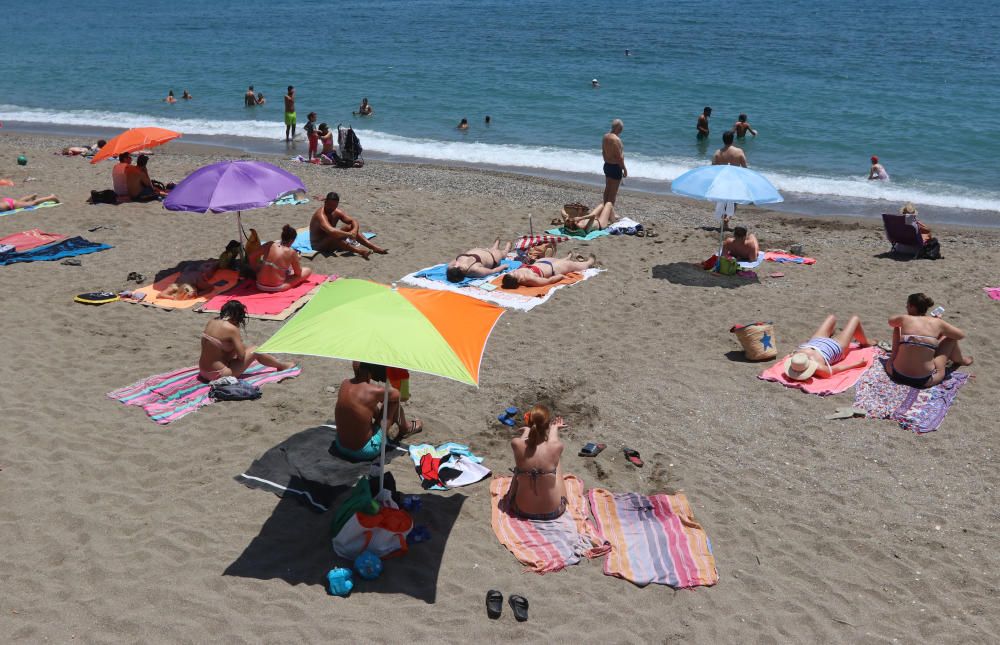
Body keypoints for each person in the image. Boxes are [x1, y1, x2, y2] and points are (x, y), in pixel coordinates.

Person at [334, 362, 422, 462]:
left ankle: (403, 427)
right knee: (392, 403)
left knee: (367, 404)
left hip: (340, 445)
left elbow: (365, 397)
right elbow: (401, 396)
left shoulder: (345, 383)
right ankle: (405, 428)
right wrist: (400, 375)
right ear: (370, 373)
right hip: (363, 452)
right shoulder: (375, 391)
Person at [885, 293, 973, 388]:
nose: (906, 307)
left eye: (907, 305)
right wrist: (940, 326)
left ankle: (893, 357)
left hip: (895, 373)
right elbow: (960, 335)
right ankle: (961, 360)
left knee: (897, 327)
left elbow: (891, 321)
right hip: (924, 380)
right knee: (951, 339)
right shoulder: (936, 322)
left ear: (911, 306)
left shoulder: (904, 318)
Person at [198, 300, 295, 383]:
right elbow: (241, 356)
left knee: (236, 347)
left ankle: (276, 362)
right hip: (219, 375)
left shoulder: (211, 322)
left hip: (203, 371)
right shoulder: (232, 329)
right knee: (255, 350)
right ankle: (281, 366)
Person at [505, 404, 567, 520]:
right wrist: (554, 429)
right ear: (547, 426)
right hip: (553, 512)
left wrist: (527, 430)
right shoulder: (557, 447)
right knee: (555, 462)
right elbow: (552, 443)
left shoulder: (516, 444)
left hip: (520, 510)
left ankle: (512, 496)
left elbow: (524, 440)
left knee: (519, 467)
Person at [783, 315, 875, 381]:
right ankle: (866, 342)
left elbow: (793, 355)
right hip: (837, 346)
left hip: (816, 341)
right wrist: (857, 364)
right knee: (855, 319)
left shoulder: (795, 359)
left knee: (832, 317)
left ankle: (831, 333)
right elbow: (836, 369)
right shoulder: (818, 367)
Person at [309, 192, 388, 259]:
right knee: (334, 235)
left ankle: (373, 247)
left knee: (349, 227)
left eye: (334, 206)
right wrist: (350, 234)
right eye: (329, 206)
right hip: (319, 245)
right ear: (325, 202)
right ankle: (359, 251)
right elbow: (331, 231)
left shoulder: (336, 211)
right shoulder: (320, 215)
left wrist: (353, 231)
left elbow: (353, 221)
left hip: (330, 241)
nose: (332, 208)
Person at [248, 224, 313, 292]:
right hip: (276, 287)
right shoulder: (291, 252)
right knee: (307, 271)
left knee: (266, 264)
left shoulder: (270, 244)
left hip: (259, 284)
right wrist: (296, 258)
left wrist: (256, 270)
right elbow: (298, 273)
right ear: (292, 240)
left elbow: (251, 256)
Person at [501, 254, 596, 289]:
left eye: (511, 272)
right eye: (513, 274)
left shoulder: (516, 275)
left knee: (559, 260)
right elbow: (548, 281)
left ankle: (565, 258)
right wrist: (561, 277)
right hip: (554, 269)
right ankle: (589, 262)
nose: (513, 272)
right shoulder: (529, 279)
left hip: (541, 263)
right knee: (573, 265)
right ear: (516, 280)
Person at [445, 238, 512, 282]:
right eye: (457, 267)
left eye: (454, 266)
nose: (456, 264)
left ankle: (495, 246)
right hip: (493, 257)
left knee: (493, 249)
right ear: (462, 272)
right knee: (502, 253)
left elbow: (449, 266)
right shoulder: (475, 269)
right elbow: (492, 271)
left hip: (483, 251)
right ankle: (506, 249)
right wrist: (503, 266)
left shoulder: (454, 265)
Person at [601, 119, 627, 204]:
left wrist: (607, 160)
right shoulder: (616, 140)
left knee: (607, 189)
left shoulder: (605, 137)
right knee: (613, 193)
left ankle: (605, 208)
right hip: (615, 167)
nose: (621, 131)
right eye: (621, 129)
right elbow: (619, 158)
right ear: (617, 128)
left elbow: (603, 152)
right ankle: (609, 212)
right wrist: (624, 169)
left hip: (607, 165)